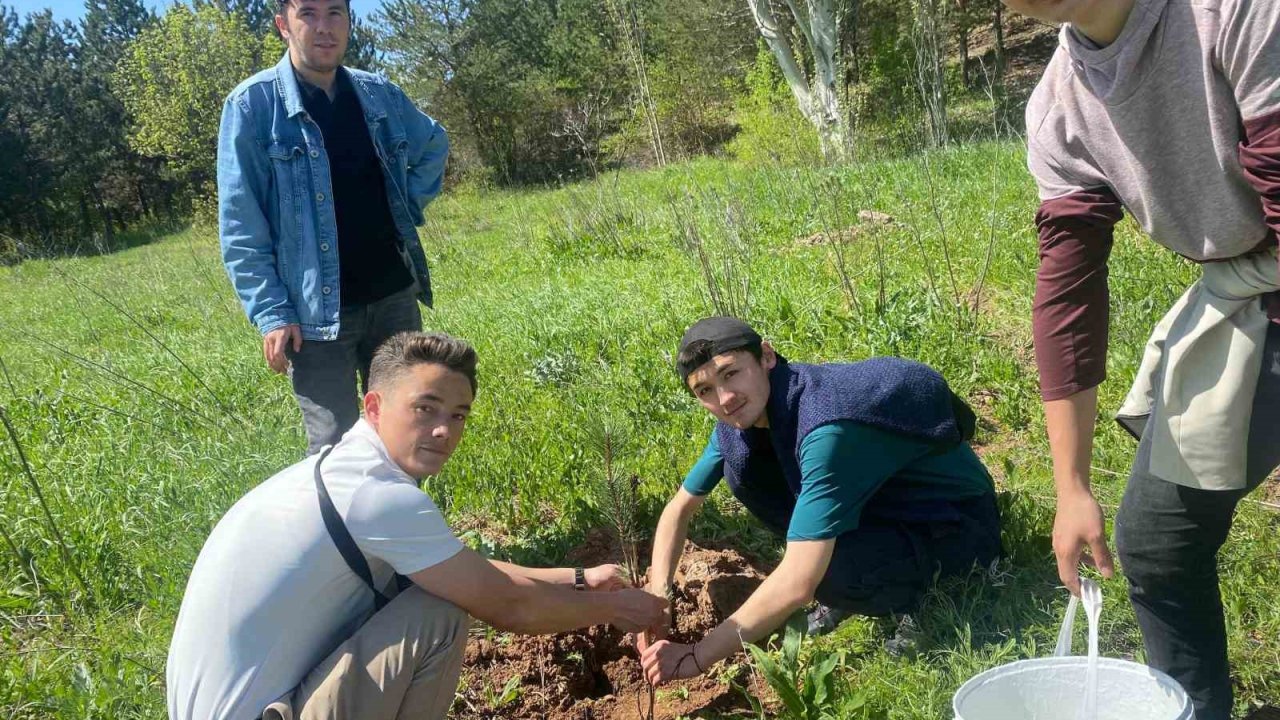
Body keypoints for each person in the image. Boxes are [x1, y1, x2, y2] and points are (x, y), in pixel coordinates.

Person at [1000, 1, 1280, 716]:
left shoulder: (1236, 14)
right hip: (1247, 294)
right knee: (1156, 543)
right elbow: (1068, 299)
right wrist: (1070, 486)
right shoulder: (1060, 109)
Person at [166, 332, 667, 720]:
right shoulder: (377, 497)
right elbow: (507, 605)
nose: (444, 430)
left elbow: (456, 569)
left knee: (435, 591)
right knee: (439, 616)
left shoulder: (343, 470)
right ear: (374, 406)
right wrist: (613, 608)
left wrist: (579, 580)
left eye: (458, 414)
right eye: (425, 409)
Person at [637, 317, 1001, 686]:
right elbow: (679, 508)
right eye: (705, 391)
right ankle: (863, 578)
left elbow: (798, 582)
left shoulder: (825, 427)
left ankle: (922, 594)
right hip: (889, 505)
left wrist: (698, 655)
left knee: (823, 572)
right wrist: (658, 598)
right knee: (740, 469)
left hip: (958, 522)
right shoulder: (750, 414)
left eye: (731, 374)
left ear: (766, 356)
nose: (724, 400)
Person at [218, 0, 449, 455]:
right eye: (308, 14)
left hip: (393, 297)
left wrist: (403, 206)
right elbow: (241, 223)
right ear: (284, 24)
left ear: (349, 22)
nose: (323, 28)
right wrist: (272, 311)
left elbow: (432, 144)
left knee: (409, 431)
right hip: (317, 318)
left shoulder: (377, 93)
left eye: (335, 13)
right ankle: (340, 530)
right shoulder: (252, 106)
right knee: (333, 447)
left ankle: (401, 524)